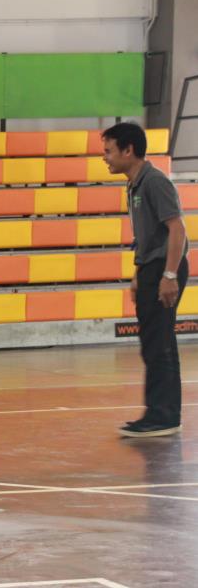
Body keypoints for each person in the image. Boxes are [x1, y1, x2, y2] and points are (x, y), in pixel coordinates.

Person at [103, 122, 189, 438]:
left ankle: (163, 416)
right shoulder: (135, 185)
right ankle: (160, 413)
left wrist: (169, 274)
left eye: (109, 151)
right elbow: (147, 236)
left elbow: (177, 229)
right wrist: (139, 273)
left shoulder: (154, 182)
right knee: (154, 342)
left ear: (128, 150)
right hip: (151, 269)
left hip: (164, 268)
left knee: (158, 342)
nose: (105, 157)